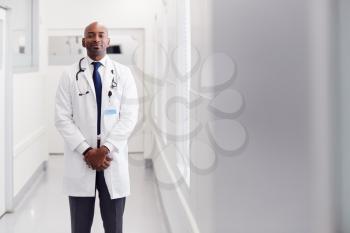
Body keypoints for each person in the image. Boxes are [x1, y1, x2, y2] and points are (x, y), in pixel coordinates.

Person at [55, 21, 138, 233]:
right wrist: (87, 151)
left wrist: (105, 149)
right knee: (80, 227)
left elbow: (129, 117)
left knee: (114, 226)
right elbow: (62, 118)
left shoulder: (123, 73)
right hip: (82, 159)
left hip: (112, 159)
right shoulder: (69, 75)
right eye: (91, 35)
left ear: (108, 41)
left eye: (101, 35)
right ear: (84, 41)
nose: (96, 39)